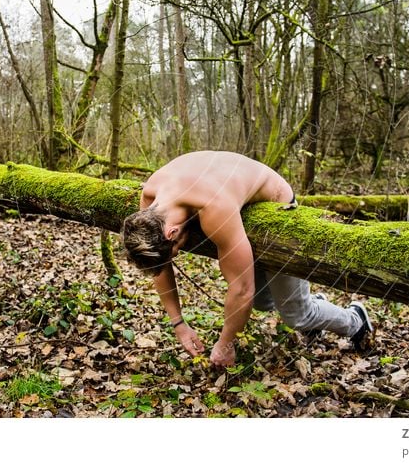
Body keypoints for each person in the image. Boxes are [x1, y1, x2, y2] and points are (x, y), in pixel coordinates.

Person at [121, 151, 373, 367]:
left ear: (172, 233)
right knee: (264, 302)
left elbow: (241, 290)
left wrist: (225, 345)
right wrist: (178, 324)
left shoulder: (212, 205)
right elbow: (160, 267)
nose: (175, 255)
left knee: (297, 315)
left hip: (278, 210)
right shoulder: (152, 196)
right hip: (238, 204)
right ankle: (309, 303)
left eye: (174, 251)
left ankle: (356, 320)